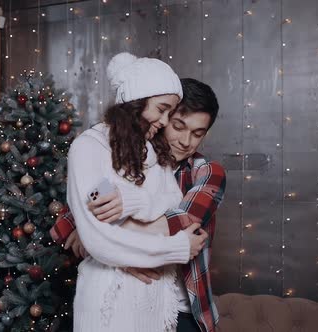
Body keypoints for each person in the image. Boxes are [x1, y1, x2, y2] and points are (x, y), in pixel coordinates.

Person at [53, 77, 225, 332]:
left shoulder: (208, 172)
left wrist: (105, 240)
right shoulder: (122, 158)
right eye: (179, 126)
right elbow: (64, 225)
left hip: (185, 309)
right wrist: (116, 250)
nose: (186, 141)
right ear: (163, 119)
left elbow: (181, 225)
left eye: (197, 134)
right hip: (130, 309)